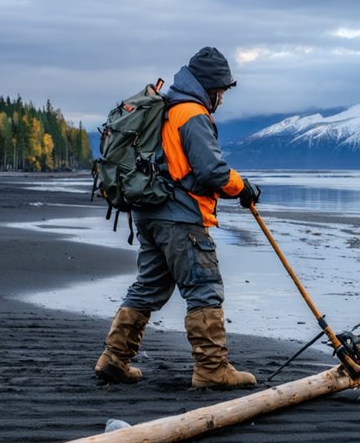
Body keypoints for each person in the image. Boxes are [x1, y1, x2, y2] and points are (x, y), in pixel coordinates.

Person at [94, 46, 261, 390]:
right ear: (211, 88)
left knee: (149, 287)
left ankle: (114, 359)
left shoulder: (165, 107)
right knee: (204, 288)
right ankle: (212, 369)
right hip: (180, 218)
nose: (222, 98)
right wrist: (242, 186)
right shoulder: (191, 113)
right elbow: (211, 171)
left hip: (148, 213)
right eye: (222, 91)